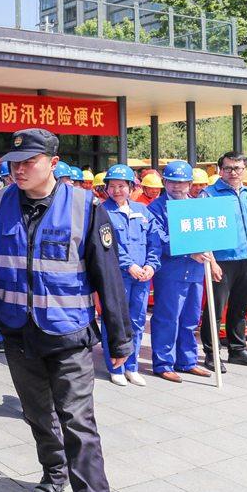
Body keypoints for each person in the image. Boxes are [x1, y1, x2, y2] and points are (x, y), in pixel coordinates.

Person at [0, 128, 132, 492]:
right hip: (17, 334)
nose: (19, 168)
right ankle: (54, 472)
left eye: (28, 160)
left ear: (53, 161)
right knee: (36, 413)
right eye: (14, 162)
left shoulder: (85, 207)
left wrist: (120, 337)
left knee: (78, 422)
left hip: (68, 335)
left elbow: (108, 276)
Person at [200, 152, 247, 370]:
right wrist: (211, 261)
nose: (233, 172)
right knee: (215, 308)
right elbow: (203, 231)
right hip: (222, 261)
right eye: (228, 168)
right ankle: (212, 353)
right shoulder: (209, 195)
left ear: (244, 170)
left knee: (240, 309)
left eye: (237, 168)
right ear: (220, 170)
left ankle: (237, 350)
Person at [146, 161, 214, 382]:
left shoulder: (197, 207)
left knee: (190, 318)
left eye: (182, 183)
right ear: (165, 182)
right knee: (168, 317)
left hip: (195, 271)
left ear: (190, 184)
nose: (177, 187)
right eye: (172, 182)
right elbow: (159, 239)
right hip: (171, 271)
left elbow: (208, 236)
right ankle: (163, 362)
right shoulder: (156, 208)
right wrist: (188, 253)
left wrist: (210, 259)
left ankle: (187, 361)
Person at [100, 164, 161, 387]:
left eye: (122, 186)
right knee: (115, 321)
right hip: (117, 276)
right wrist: (129, 265)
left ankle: (132, 367)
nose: (117, 190)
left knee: (136, 321)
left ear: (131, 187)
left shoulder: (142, 211)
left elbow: (155, 242)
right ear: (106, 188)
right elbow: (107, 245)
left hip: (142, 277)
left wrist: (151, 266)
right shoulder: (102, 211)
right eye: (112, 186)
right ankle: (116, 366)